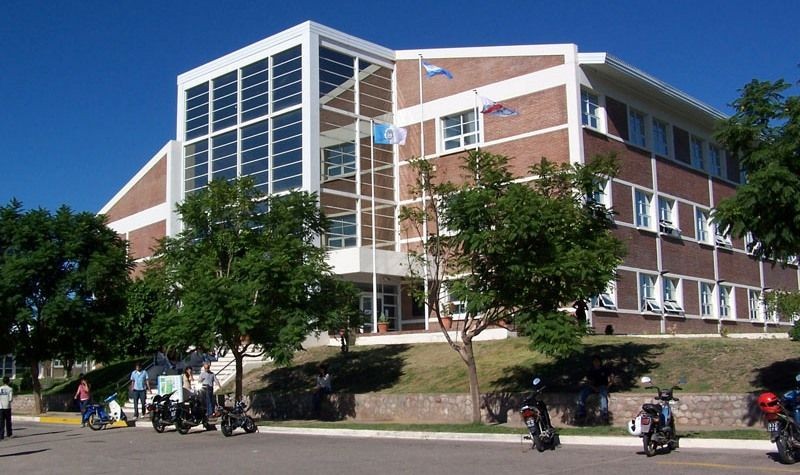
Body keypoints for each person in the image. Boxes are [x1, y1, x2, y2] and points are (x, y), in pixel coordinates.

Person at [576, 355, 612, 423]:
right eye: (594, 361)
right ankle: (581, 412)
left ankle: (604, 414)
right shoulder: (591, 371)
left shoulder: (604, 370)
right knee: (582, 393)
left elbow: (610, 380)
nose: (596, 363)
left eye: (597, 361)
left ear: (600, 362)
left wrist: (608, 387)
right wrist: (594, 388)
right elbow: (588, 382)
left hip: (602, 386)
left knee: (603, 396)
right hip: (592, 387)